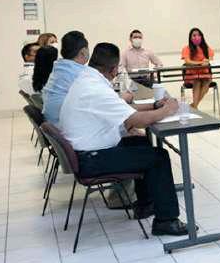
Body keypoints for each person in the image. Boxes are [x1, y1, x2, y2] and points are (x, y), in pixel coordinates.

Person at [59, 43, 190, 236]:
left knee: (141, 143)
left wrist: (155, 106)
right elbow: (137, 120)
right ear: (114, 70)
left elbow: (121, 107)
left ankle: (145, 204)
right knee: (158, 157)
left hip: (85, 153)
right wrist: (167, 110)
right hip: (90, 160)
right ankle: (166, 221)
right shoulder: (96, 89)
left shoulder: (86, 80)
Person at [41, 31, 90, 124]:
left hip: (52, 124)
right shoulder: (81, 74)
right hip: (64, 126)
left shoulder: (59, 67)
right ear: (83, 52)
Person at [181, 28, 214, 109]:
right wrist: (200, 63)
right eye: (194, 35)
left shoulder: (206, 47)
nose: (197, 37)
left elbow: (210, 58)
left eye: (199, 35)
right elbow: (187, 61)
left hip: (205, 74)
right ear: (190, 37)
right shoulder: (186, 48)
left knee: (206, 82)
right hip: (192, 74)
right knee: (197, 81)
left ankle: (194, 106)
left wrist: (207, 61)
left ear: (202, 36)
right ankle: (195, 107)